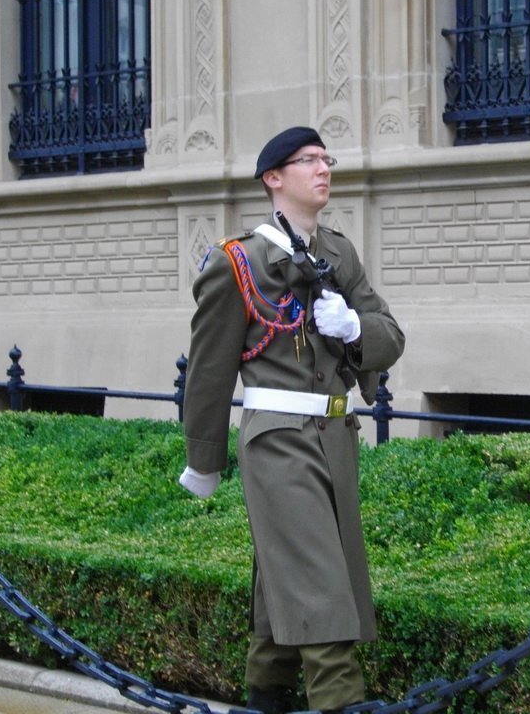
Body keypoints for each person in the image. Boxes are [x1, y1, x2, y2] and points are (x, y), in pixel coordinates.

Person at [178, 126, 406, 713]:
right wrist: (204, 460)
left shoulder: (338, 254)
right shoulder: (239, 262)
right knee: (323, 590)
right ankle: (339, 700)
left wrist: (354, 328)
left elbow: (391, 335)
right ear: (274, 178)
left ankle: (267, 694)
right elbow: (208, 372)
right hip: (278, 442)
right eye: (309, 161)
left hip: (337, 439)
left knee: (289, 579)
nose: (324, 169)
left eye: (326, 159)